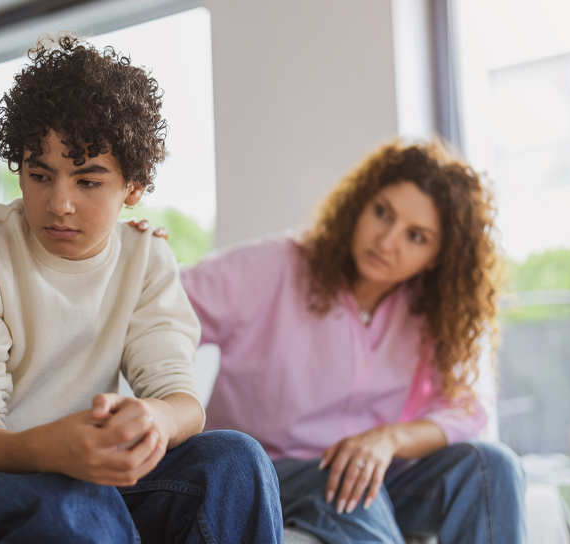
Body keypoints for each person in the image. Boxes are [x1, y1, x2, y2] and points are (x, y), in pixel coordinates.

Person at [0, 35, 283, 543]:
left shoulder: (147, 257)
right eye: (40, 175)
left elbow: (182, 400)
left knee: (236, 459)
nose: (59, 204)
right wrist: (57, 452)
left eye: (87, 182)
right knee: (71, 497)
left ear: (133, 187)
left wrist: (154, 417)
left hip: (84, 479)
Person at [139, 140, 527, 543]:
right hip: (270, 473)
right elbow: (162, 308)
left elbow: (467, 407)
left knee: (492, 465)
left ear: (438, 255)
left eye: (416, 236)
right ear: (360, 203)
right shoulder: (274, 267)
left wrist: (389, 438)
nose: (387, 241)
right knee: (352, 486)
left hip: (380, 477)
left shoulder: (434, 312)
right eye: (383, 213)